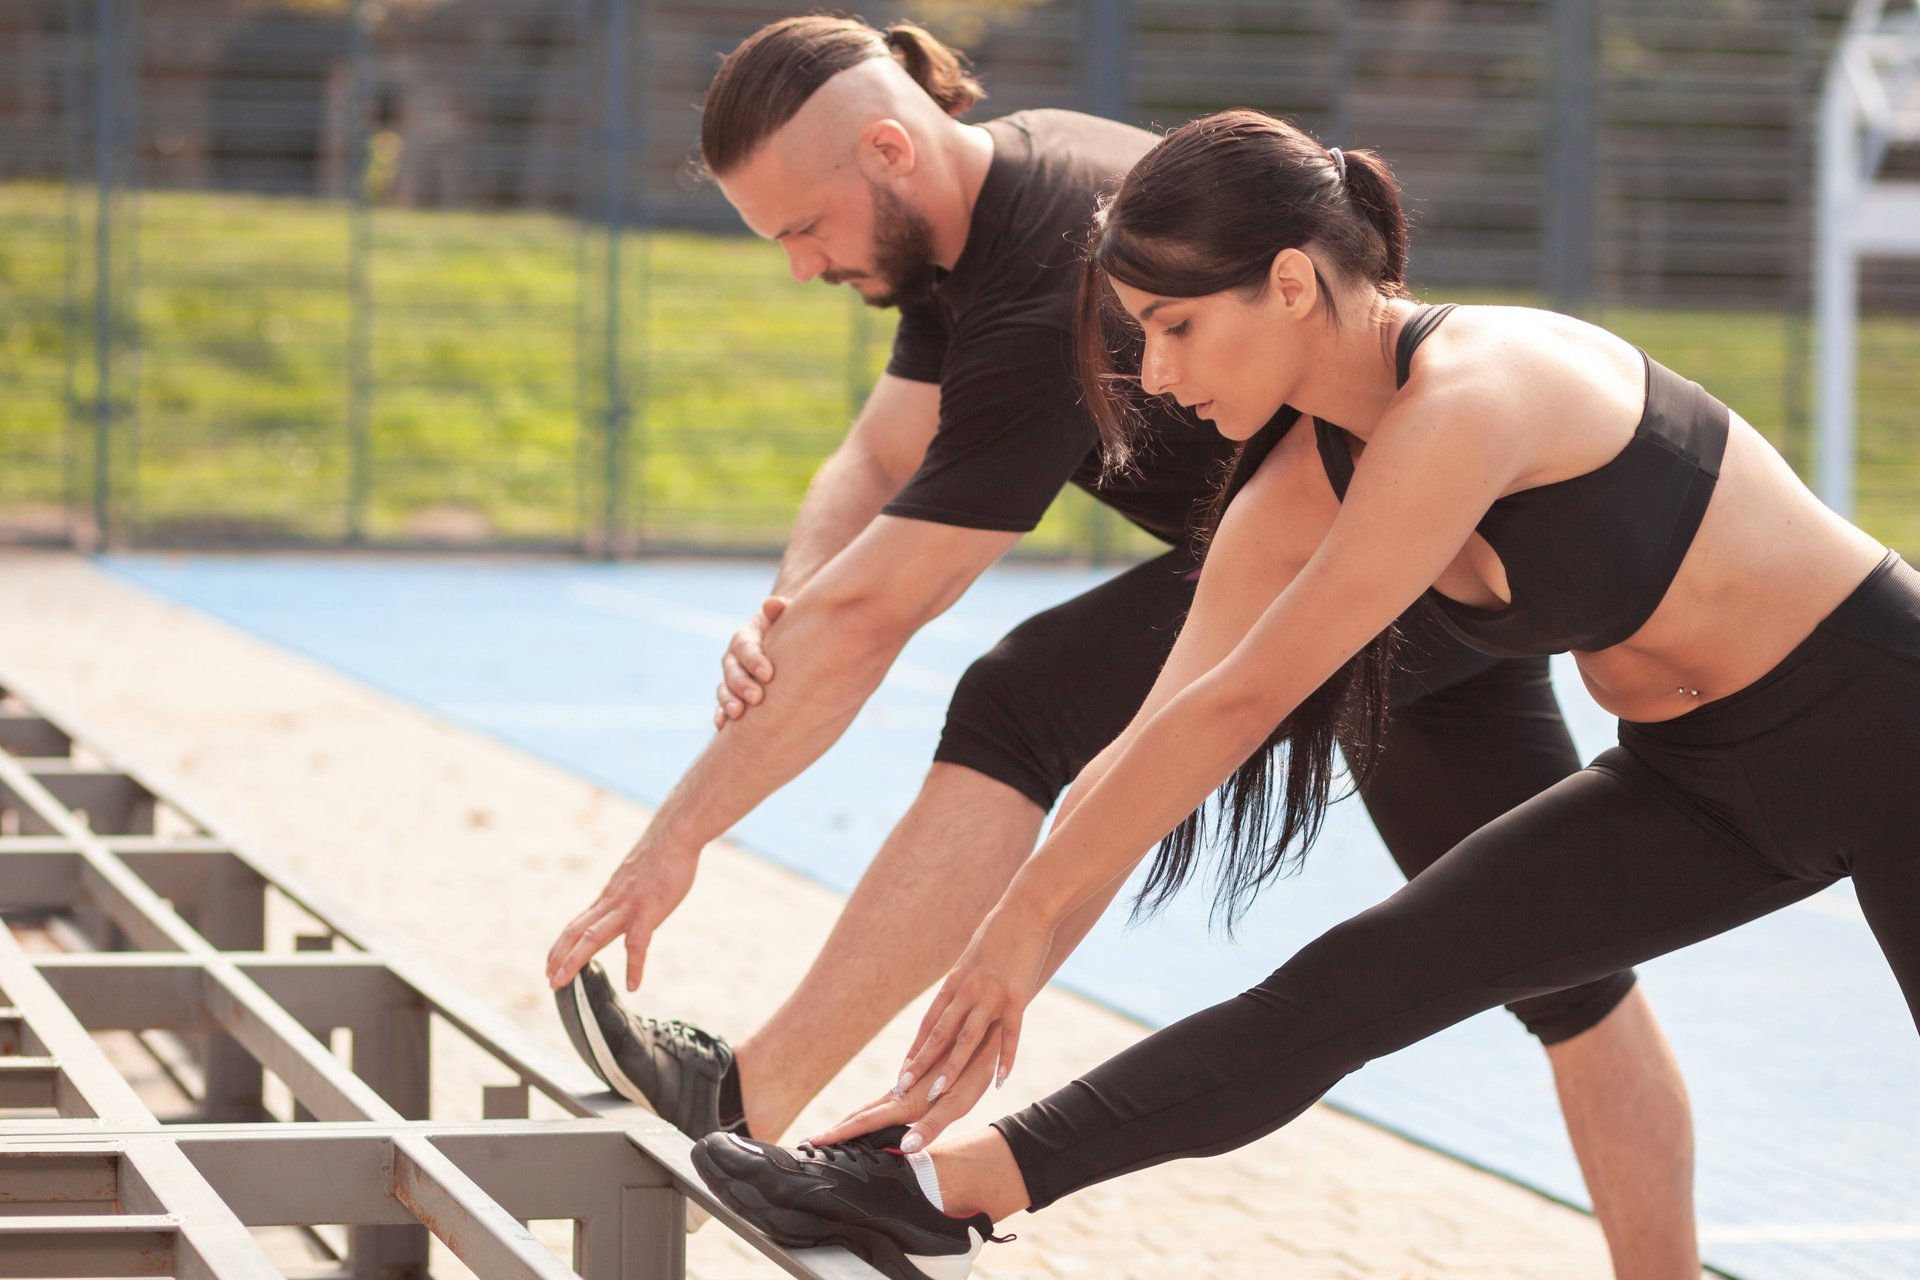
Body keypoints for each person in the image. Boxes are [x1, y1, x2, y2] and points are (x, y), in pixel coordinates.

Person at [687, 107, 1919, 1280]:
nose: (1155, 374)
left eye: (1173, 327)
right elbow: (1161, 738)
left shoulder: (1480, 392)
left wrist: (1012, 943)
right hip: (1695, 783)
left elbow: (1242, 707)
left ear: (1287, 282)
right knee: (1350, 985)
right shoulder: (1293, 487)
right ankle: (937, 1186)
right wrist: (1000, 968)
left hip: (1891, 733)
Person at [546, 20, 1698, 1273]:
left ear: (888, 149)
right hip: (1408, 572)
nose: (799, 267)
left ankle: (748, 1101)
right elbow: (878, 459)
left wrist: (670, 846)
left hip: (1384, 552)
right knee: (1565, 969)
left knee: (1021, 696)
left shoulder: (1052, 267)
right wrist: (785, 609)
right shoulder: (963, 226)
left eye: (802, 230)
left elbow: (885, 610)